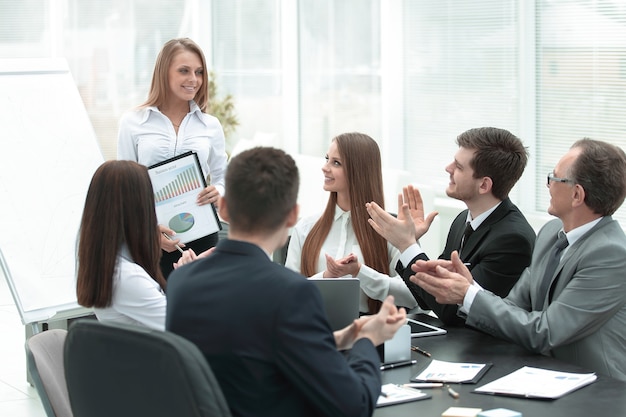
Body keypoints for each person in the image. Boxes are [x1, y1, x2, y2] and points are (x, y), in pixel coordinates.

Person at [166, 147, 407, 417]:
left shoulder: (180, 282)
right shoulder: (292, 293)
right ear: (292, 216)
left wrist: (342, 337)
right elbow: (354, 405)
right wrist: (367, 339)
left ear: (223, 208)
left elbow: (251, 346)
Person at [410, 138, 626, 381]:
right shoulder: (550, 233)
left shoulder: (612, 255)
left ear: (577, 195)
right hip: (540, 376)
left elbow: (545, 331)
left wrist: (468, 295)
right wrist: (470, 288)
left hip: (596, 392)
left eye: (554, 178)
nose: (548, 186)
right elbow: (514, 307)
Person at [366, 127, 536, 325]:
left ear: (484, 185)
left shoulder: (513, 240)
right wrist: (412, 242)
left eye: (459, 167)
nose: (448, 168)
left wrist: (406, 245)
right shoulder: (462, 219)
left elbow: (452, 310)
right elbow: (428, 298)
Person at [117, 37, 228, 278]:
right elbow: (123, 189)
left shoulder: (211, 125)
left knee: (199, 310)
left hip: (202, 235)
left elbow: (223, 177)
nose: (194, 80)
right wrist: (148, 232)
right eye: (184, 71)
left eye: (199, 72)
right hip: (148, 239)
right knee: (156, 312)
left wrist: (218, 190)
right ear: (163, 73)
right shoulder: (133, 123)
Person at [284, 132, 417, 314]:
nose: (325, 168)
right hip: (312, 331)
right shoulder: (305, 228)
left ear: (359, 170)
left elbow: (413, 296)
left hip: (372, 334)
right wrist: (326, 276)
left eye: (336, 163)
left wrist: (360, 272)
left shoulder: (392, 230)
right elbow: (287, 294)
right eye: (327, 159)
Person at [76, 160, 167, 330]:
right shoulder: (127, 277)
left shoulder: (110, 266)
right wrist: (189, 278)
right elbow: (188, 330)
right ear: (139, 208)